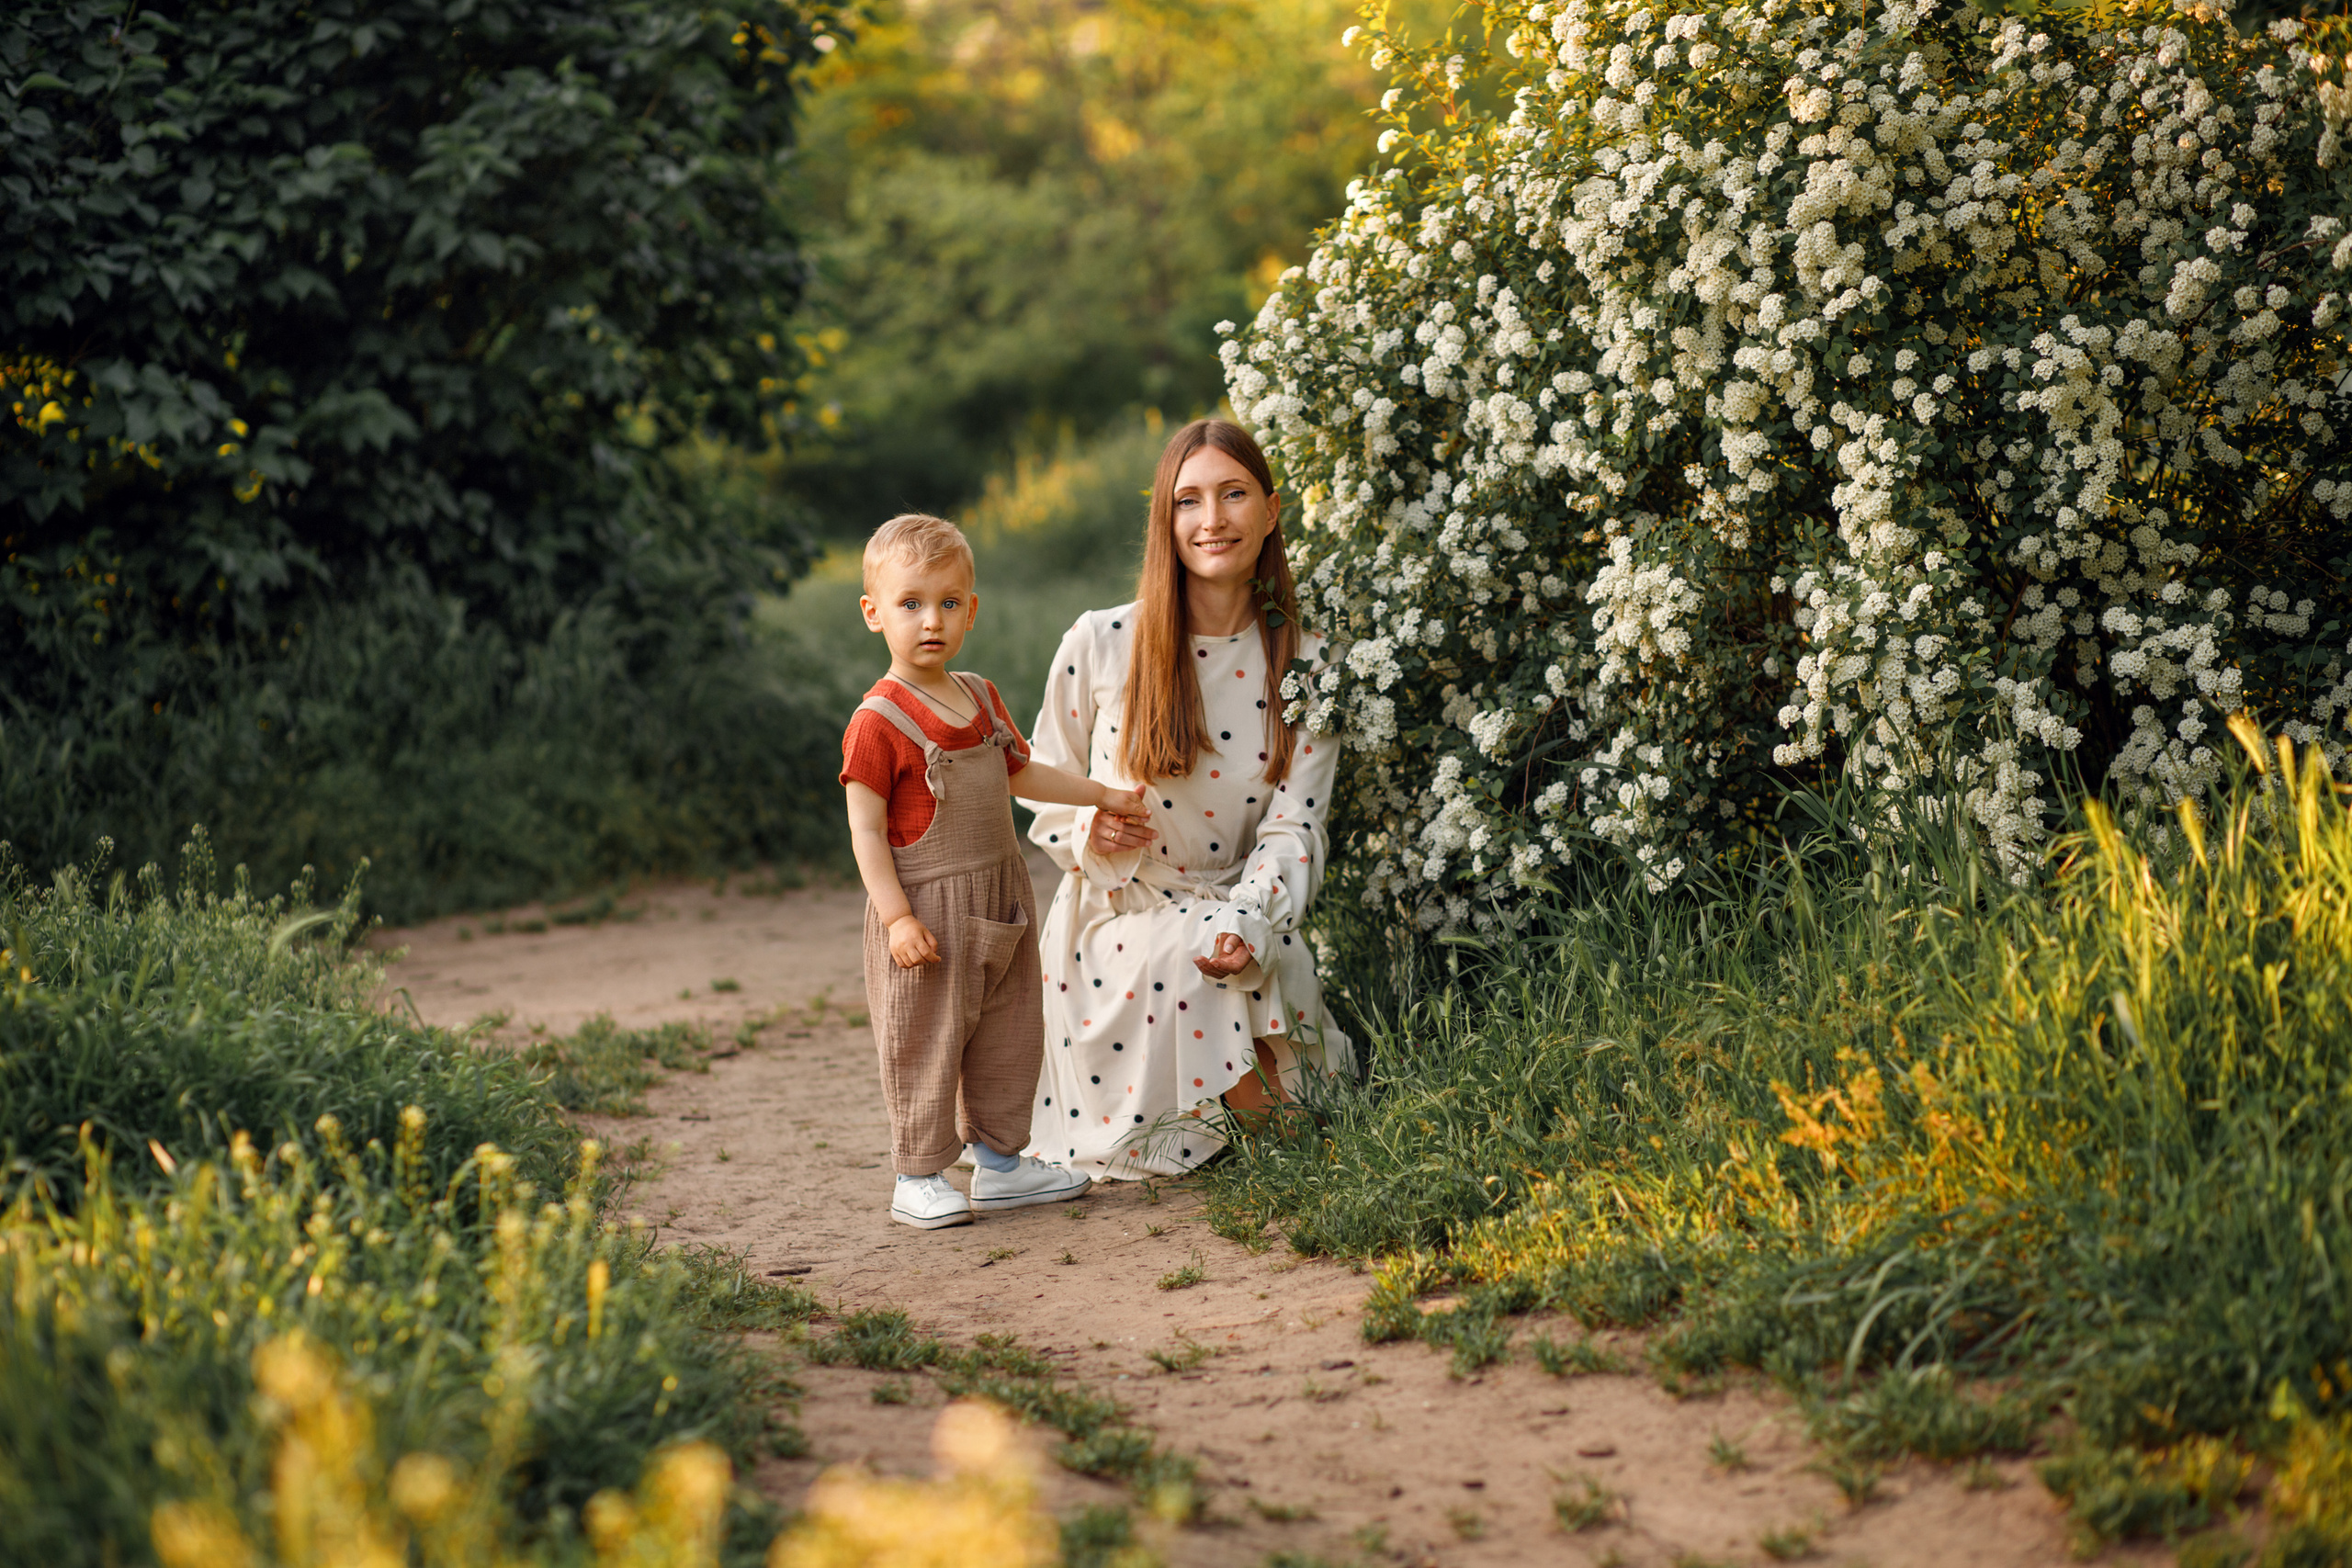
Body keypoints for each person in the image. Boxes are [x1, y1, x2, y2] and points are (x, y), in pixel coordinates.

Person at [1023, 418, 1353, 1179]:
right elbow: (1039, 780)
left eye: (1233, 494)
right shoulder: (1102, 642)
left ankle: (1243, 1119)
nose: (1212, 520)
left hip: (1244, 912)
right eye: (1189, 500)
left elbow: (1295, 826)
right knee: (1271, 1115)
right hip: (1120, 928)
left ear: (1270, 511)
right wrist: (1089, 832)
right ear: (1164, 521)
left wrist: (1251, 916)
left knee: (1294, 1101)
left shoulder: (1309, 664)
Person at [841, 513, 1152, 1229]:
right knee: (927, 1036)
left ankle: (1002, 1162)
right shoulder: (878, 721)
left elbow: (1023, 771)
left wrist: (1101, 791)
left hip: (1000, 899)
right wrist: (896, 917)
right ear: (873, 613)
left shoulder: (979, 697)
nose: (931, 620)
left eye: (950, 603)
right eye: (911, 603)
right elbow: (864, 832)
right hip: (927, 912)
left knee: (1009, 1031)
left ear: (971, 611)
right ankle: (917, 1174)